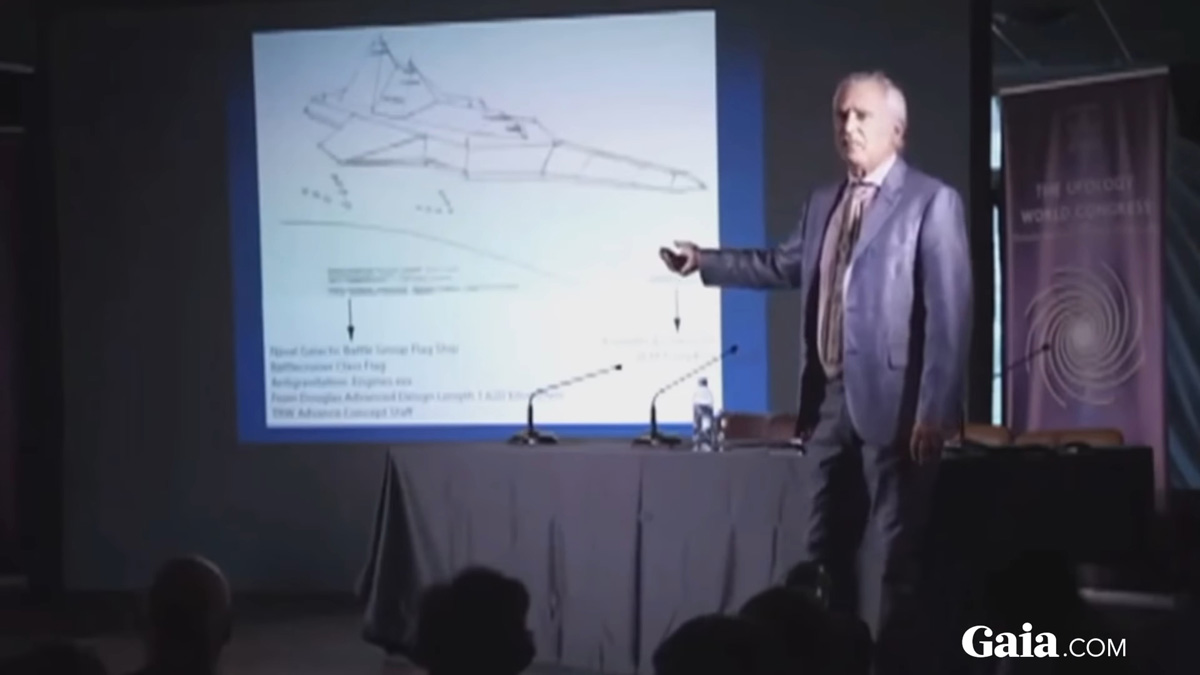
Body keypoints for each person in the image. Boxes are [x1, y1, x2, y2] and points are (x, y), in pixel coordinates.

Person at [661, 71, 971, 673]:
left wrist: (935, 411)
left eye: (862, 116)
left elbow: (950, 314)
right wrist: (704, 261)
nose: (848, 126)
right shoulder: (823, 202)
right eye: (841, 116)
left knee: (897, 557)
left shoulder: (932, 202)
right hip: (829, 402)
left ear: (898, 130)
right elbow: (781, 265)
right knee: (821, 551)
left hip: (900, 407)